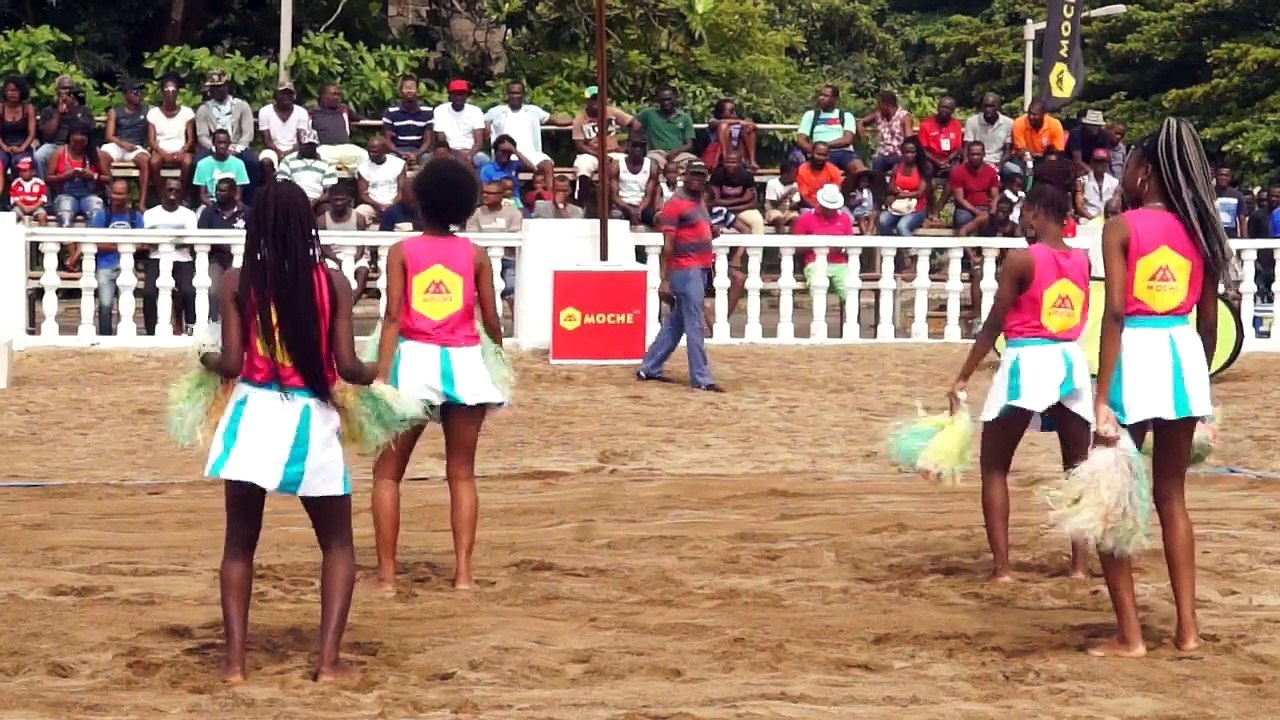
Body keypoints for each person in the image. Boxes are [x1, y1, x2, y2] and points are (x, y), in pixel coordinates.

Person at [199, 179, 377, 683]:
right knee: (338, 543)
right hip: (309, 418)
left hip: (253, 411)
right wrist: (377, 374)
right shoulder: (334, 283)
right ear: (307, 223)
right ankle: (328, 663)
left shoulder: (237, 280)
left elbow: (232, 362)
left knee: (239, 544)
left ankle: (234, 665)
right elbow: (346, 365)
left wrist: (206, 359)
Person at [1090, 117, 1232, 658]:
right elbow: (1211, 322)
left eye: (1128, 164)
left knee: (1111, 496)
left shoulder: (1121, 227)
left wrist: (1102, 395)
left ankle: (1129, 636)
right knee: (1173, 496)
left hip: (1136, 358)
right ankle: (1187, 631)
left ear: (1144, 172)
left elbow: (1117, 314)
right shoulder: (1203, 230)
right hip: (1184, 358)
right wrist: (1204, 387)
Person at [370, 157, 507, 591]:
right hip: (464, 361)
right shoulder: (476, 254)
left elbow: (393, 315)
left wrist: (382, 377)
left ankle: (388, 576)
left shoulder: (402, 251)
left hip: (413, 360)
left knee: (388, 474)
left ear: (421, 201)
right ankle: (463, 575)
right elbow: (490, 319)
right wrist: (498, 362)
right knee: (462, 473)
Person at [949, 183, 1093, 582]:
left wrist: (963, 374)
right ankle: (1079, 566)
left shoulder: (1020, 259)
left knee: (994, 466)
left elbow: (994, 323)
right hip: (1070, 360)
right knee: (1076, 468)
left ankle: (1003, 569)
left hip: (1027, 361)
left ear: (1034, 213)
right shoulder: (1083, 260)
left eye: (1024, 214)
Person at [635, 161, 722, 392]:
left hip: (699, 267)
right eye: (693, 174)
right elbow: (668, 244)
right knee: (694, 324)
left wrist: (710, 232)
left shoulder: (699, 200)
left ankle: (649, 367)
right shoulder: (675, 204)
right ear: (685, 176)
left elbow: (694, 229)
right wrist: (665, 278)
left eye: (701, 175)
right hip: (686, 269)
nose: (697, 178)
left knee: (677, 323)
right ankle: (701, 378)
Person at [142, 178, 200, 336]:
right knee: (148, 292)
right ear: (162, 192)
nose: (173, 194)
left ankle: (190, 330)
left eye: (177, 190)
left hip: (183, 260)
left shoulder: (188, 215)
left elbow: (189, 242)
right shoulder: (151, 214)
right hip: (157, 258)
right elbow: (147, 243)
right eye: (170, 190)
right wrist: (175, 241)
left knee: (188, 292)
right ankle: (151, 331)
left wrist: (162, 241)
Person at [87, 179, 145, 336]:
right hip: (105, 265)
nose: (118, 197)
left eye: (121, 193)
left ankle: (124, 335)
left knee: (125, 303)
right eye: (115, 193)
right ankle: (105, 336)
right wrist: (124, 245)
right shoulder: (102, 216)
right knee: (105, 304)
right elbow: (96, 242)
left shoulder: (135, 217)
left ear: (127, 195)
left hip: (127, 265)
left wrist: (113, 244)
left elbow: (140, 243)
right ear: (109, 194)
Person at [485, 81, 560, 195]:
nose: (515, 96)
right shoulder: (496, 111)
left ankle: (550, 198)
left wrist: (576, 122)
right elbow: (483, 121)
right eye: (512, 93)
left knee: (547, 164)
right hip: (505, 153)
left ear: (523, 94)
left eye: (518, 93)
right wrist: (487, 127)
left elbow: (554, 120)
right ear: (507, 94)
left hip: (530, 153)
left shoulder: (533, 110)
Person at [196, 177, 249, 322]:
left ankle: (238, 324)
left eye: (223, 191)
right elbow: (200, 238)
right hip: (216, 259)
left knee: (239, 292)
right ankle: (214, 323)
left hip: (240, 260)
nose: (219, 193)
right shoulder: (208, 213)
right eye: (218, 190)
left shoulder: (246, 212)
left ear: (234, 192)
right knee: (212, 291)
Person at [793, 184, 854, 310]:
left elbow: (850, 244)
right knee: (817, 286)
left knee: (850, 289)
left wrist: (841, 248)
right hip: (814, 262)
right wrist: (817, 246)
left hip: (839, 263)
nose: (831, 210)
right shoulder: (805, 219)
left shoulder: (844, 218)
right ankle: (819, 324)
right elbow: (797, 247)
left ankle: (853, 323)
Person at [100, 80, 152, 205]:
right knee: (101, 156)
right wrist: (122, 143)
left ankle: (142, 202)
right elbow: (109, 136)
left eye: (140, 91)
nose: (138, 94)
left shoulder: (147, 111)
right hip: (118, 144)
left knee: (145, 160)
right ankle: (110, 196)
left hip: (136, 147)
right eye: (135, 91)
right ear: (126, 94)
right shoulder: (115, 111)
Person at [146, 74, 196, 199]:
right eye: (167, 90)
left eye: (173, 90)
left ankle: (182, 195)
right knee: (153, 162)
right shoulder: (153, 113)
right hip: (161, 148)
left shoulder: (187, 112)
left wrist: (182, 151)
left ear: (177, 92)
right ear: (162, 92)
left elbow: (190, 139)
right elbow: (152, 141)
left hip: (180, 148)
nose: (170, 93)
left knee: (188, 162)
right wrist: (163, 153)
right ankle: (162, 194)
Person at [48, 123, 105, 230]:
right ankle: (69, 245)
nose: (78, 146)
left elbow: (108, 178)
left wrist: (93, 176)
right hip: (65, 194)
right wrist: (63, 176)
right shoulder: (59, 152)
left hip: (89, 195)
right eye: (75, 142)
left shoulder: (95, 153)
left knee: (96, 211)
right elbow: (48, 178)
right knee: (65, 212)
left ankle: (91, 244)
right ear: (69, 139)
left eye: (82, 143)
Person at [635, 84, 698, 171]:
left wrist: (674, 152)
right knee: (651, 164)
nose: (666, 103)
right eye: (662, 100)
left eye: (668, 99)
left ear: (674, 98)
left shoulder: (684, 117)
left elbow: (689, 144)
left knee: (697, 166)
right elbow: (631, 124)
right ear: (658, 100)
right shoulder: (649, 114)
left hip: (679, 154)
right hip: (656, 154)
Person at [878, 140, 927, 237]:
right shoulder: (897, 167)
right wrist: (893, 192)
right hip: (898, 206)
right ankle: (893, 247)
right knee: (882, 221)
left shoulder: (923, 169)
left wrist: (900, 195)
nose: (909, 155)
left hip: (916, 208)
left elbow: (919, 193)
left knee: (902, 226)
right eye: (906, 152)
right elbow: (891, 187)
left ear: (917, 153)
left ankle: (911, 251)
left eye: (912, 152)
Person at [608, 133, 659, 227]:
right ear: (628, 145)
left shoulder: (652, 165)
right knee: (615, 216)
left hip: (642, 206)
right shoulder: (617, 165)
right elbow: (614, 196)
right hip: (622, 206)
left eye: (641, 145)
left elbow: (649, 196)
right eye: (635, 145)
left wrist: (639, 210)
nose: (638, 149)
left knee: (659, 219)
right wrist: (629, 209)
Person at [858, 91, 914, 173]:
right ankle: (877, 184)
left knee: (898, 168)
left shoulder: (904, 117)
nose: (878, 107)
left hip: (898, 153)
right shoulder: (878, 114)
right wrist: (862, 133)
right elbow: (862, 122)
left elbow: (909, 138)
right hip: (882, 153)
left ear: (887, 105)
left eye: (880, 104)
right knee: (876, 164)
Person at [193, 129, 251, 208]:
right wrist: (215, 208)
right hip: (210, 205)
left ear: (229, 144)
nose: (222, 146)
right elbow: (202, 196)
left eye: (224, 143)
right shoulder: (202, 164)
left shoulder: (239, 164)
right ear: (213, 143)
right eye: (219, 143)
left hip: (232, 205)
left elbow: (238, 196)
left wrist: (226, 208)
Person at [702, 97, 758, 171]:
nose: (734, 113)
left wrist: (750, 124)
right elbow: (716, 123)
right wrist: (740, 122)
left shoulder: (742, 123)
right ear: (721, 113)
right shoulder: (715, 121)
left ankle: (752, 161)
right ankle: (725, 159)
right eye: (731, 111)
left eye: (735, 110)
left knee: (748, 128)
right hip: (722, 153)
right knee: (723, 125)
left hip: (739, 152)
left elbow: (753, 126)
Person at [0, 76, 36, 180]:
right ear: (5, 92)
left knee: (22, 164)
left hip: (23, 147)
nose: (13, 93)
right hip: (3, 147)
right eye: (10, 90)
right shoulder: (1, 108)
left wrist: (22, 148)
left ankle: (20, 194)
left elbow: (32, 133)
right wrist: (5, 148)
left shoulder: (28, 108)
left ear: (22, 92)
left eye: (16, 90)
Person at [764, 160, 800, 233]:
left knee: (796, 220)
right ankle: (781, 243)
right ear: (785, 174)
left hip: (788, 211)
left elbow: (794, 205)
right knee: (780, 220)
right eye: (795, 174)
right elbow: (774, 204)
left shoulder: (795, 185)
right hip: (773, 210)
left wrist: (795, 203)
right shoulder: (772, 183)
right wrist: (787, 194)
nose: (797, 176)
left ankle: (793, 242)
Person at [9, 157, 48, 226]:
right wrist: (23, 207)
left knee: (42, 215)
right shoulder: (16, 183)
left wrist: (33, 207)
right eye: (20, 170)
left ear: (33, 172)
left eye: (24, 170)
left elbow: (43, 199)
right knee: (13, 215)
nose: (21, 173)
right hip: (20, 207)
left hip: (36, 206)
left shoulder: (40, 183)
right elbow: (15, 199)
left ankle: (42, 233)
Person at [1213, 165, 1247, 239]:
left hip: (1231, 235)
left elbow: (1242, 219)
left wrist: (1245, 238)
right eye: (1220, 175)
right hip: (1212, 234)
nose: (1223, 178)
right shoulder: (1208, 193)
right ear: (1215, 176)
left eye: (1226, 175)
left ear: (1230, 178)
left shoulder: (1237, 195)